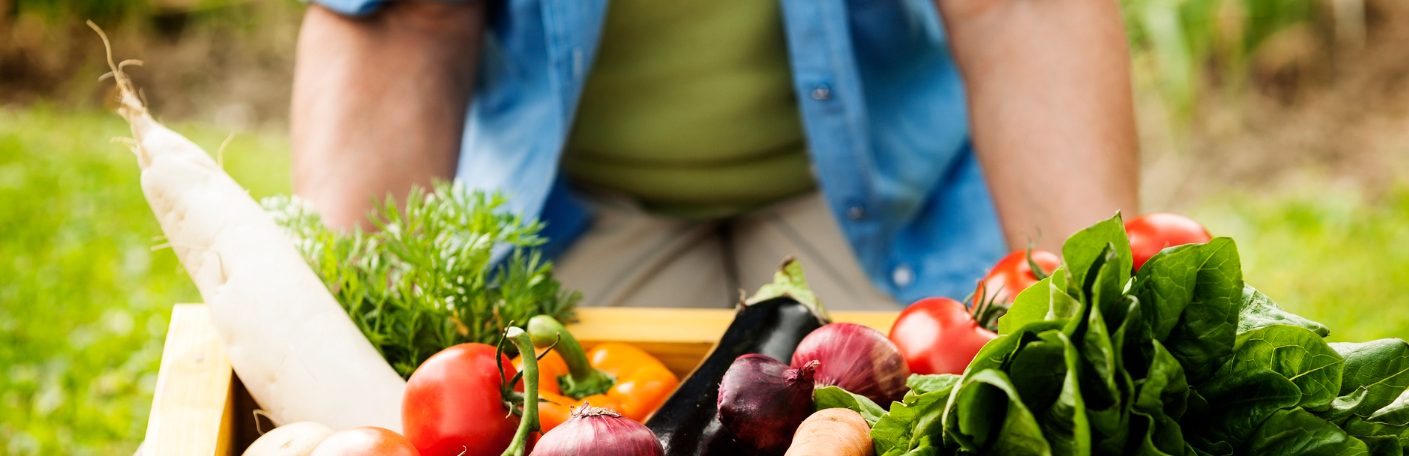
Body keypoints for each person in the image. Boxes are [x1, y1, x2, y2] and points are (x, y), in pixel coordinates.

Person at [290, 0, 1139, 310]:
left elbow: (1017, 10)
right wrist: (336, 348)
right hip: (575, 201)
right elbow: (405, 18)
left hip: (887, 192)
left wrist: (1098, 322)